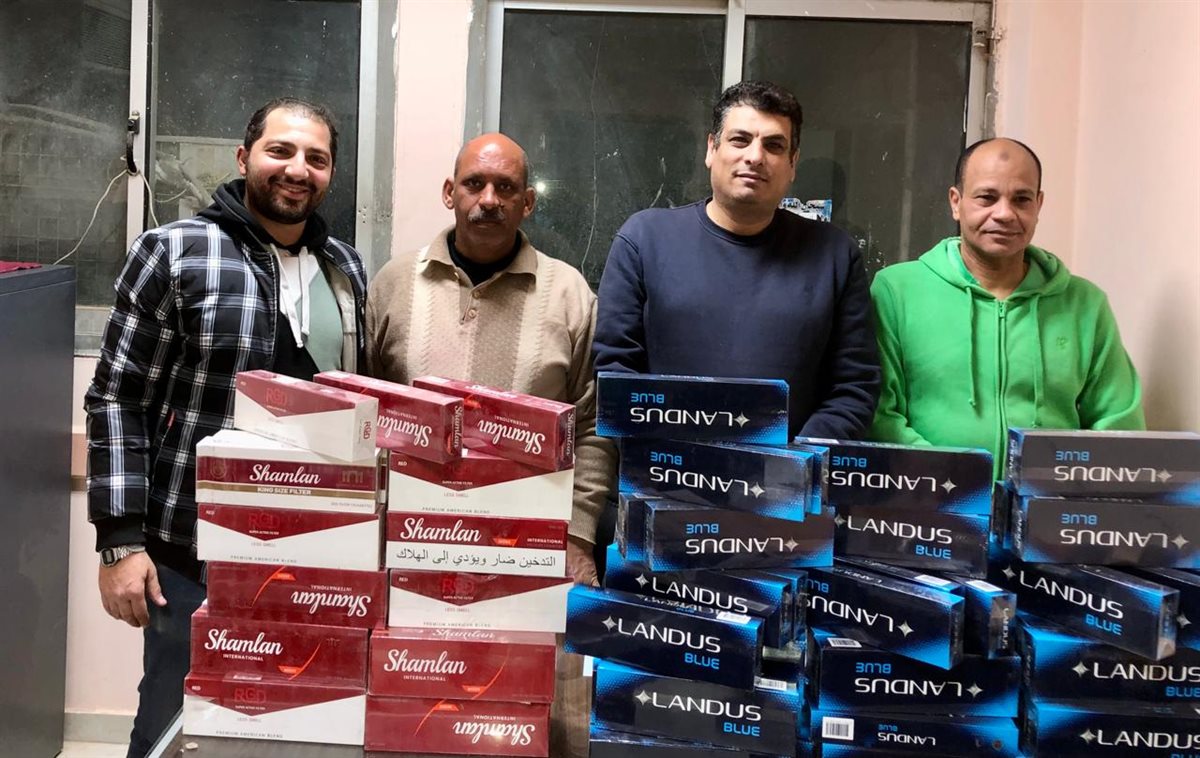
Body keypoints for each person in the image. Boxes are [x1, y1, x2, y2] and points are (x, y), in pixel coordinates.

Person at [85, 97, 366, 757]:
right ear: (244, 158)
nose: (297, 169)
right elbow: (118, 399)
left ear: (330, 174)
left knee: (293, 729)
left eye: (317, 158)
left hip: (318, 552)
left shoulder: (345, 269)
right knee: (175, 727)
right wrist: (119, 541)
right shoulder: (173, 252)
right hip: (193, 551)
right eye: (280, 151)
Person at [367, 133, 615, 585]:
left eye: (506, 188)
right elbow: (366, 416)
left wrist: (577, 536)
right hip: (409, 541)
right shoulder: (393, 285)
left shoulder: (569, 294)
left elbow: (592, 425)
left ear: (528, 202)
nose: (489, 200)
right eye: (474, 184)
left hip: (529, 544)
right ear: (449, 192)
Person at [592, 80, 880, 440]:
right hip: (663, 467)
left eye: (774, 145)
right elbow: (615, 373)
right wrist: (673, 457)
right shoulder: (643, 240)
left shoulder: (835, 255)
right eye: (740, 140)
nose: (755, 157)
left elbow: (855, 387)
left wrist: (794, 462)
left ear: (792, 163)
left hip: (789, 472)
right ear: (711, 149)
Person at [869, 137, 1145, 475]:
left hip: (1049, 502)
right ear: (956, 202)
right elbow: (880, 414)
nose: (1004, 214)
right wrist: (954, 482)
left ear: (1038, 205)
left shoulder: (1085, 304)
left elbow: (1117, 424)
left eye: (1021, 199)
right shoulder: (897, 291)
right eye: (987, 197)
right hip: (929, 498)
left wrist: (1066, 488)